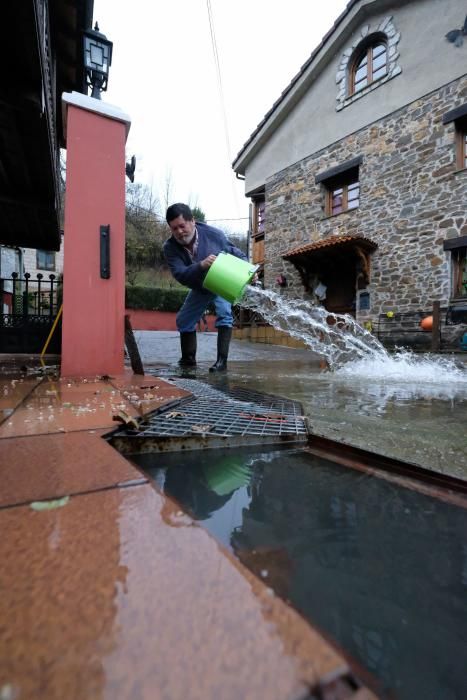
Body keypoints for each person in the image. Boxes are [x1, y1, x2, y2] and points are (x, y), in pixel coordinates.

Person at [163, 203, 247, 372]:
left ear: (192, 221)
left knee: (224, 314)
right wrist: (201, 265)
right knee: (183, 320)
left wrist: (249, 271)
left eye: (182, 226)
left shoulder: (215, 235)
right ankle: (188, 360)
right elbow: (180, 274)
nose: (179, 232)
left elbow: (236, 253)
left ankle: (221, 363)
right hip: (200, 286)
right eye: (174, 229)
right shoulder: (170, 247)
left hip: (220, 280)